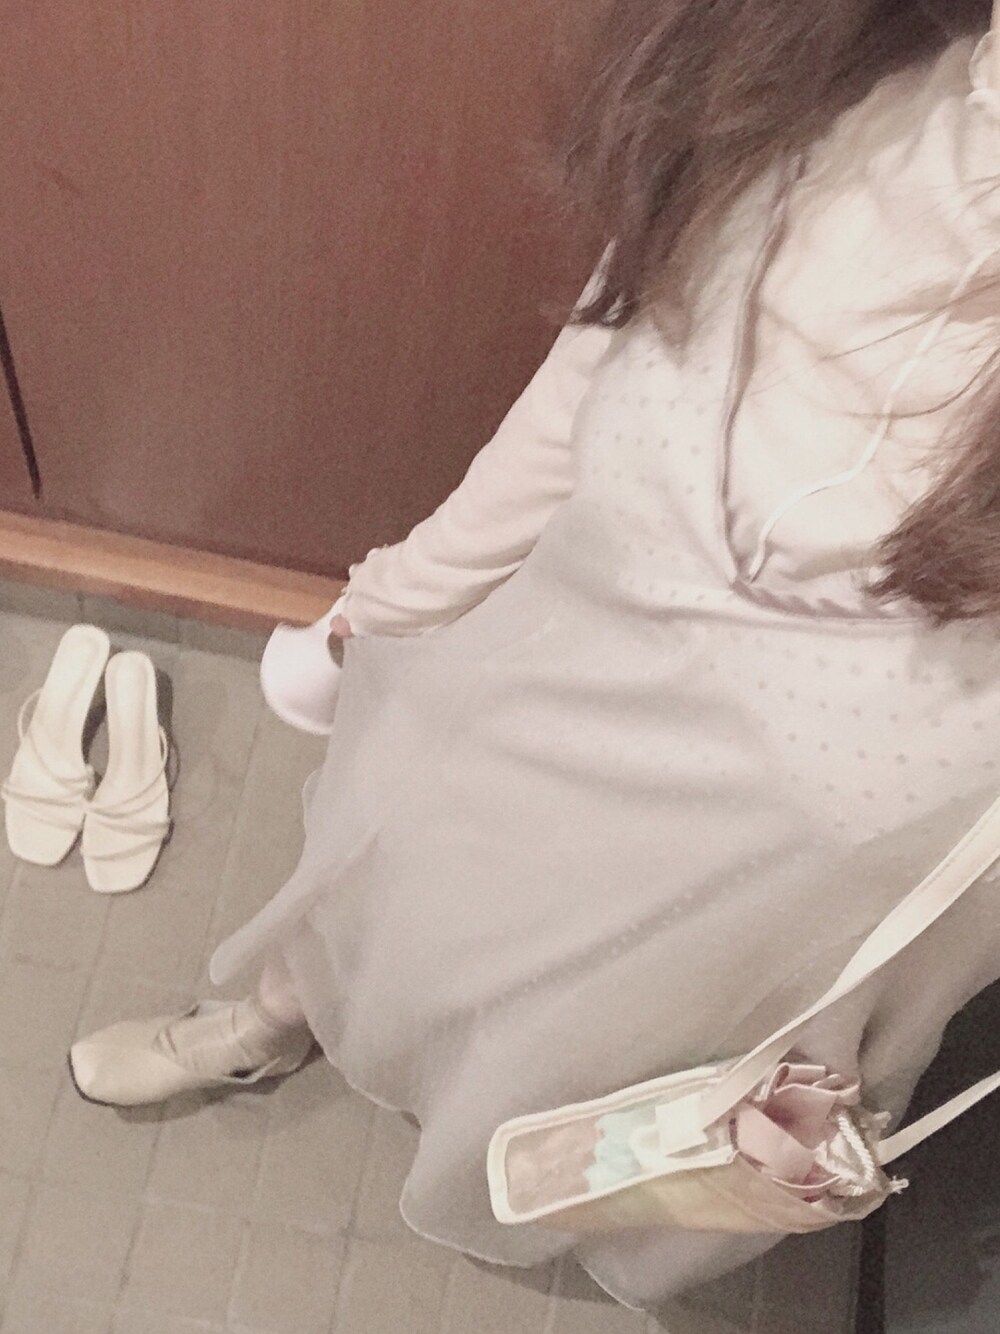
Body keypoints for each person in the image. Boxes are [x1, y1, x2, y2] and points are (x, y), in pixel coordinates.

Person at [67, 0, 1000, 1309]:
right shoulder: (824, 81)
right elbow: (584, 392)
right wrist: (389, 600)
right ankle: (271, 1024)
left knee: (586, 1075)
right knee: (386, 900)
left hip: (762, 904)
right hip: (533, 708)